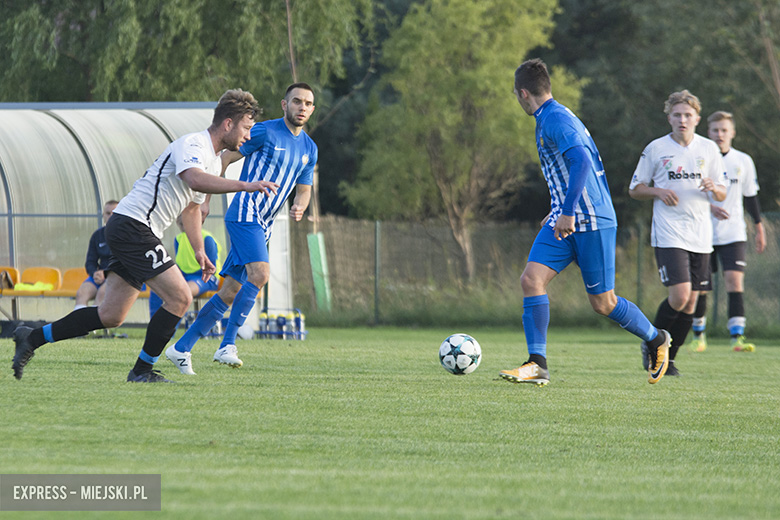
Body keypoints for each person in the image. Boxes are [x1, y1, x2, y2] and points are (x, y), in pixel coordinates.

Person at [12, 88, 280, 382]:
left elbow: (191, 209)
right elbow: (193, 179)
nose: (248, 135)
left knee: (111, 315)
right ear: (228, 123)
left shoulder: (215, 162)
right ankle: (142, 370)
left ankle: (31, 338)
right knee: (180, 298)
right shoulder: (193, 144)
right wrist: (245, 186)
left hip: (137, 230)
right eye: (246, 128)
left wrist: (199, 249)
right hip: (132, 226)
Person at [499, 58, 671, 387]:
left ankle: (656, 338)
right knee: (531, 280)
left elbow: (581, 162)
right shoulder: (547, 117)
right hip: (564, 220)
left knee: (603, 303)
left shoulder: (556, 119)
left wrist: (566, 210)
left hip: (591, 221)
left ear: (523, 93)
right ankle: (537, 364)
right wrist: (558, 209)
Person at [165, 82, 316, 375]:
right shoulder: (264, 131)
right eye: (297, 101)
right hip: (245, 213)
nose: (302, 107)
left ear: (312, 109)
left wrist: (300, 205)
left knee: (230, 290)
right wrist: (206, 200)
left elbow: (304, 189)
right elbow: (224, 158)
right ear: (285, 105)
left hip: (264, 223)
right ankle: (227, 345)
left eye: (308, 103)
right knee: (260, 274)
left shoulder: (310, 148)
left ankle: (181, 348)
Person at [628, 90, 727, 376]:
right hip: (669, 233)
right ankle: (652, 343)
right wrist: (658, 191)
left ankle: (668, 360)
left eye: (687, 115)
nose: (682, 120)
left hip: (701, 236)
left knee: (692, 302)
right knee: (680, 295)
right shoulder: (656, 148)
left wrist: (714, 188)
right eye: (677, 115)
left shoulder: (709, 149)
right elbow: (635, 189)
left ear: (697, 118)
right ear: (669, 117)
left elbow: (722, 192)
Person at [688, 111, 765, 353]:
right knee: (700, 286)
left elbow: (750, 197)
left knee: (734, 281)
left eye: (724, 130)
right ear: (708, 132)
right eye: (715, 130)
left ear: (732, 133)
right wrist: (710, 207)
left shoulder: (743, 161)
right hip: (703, 232)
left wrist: (759, 227)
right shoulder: (699, 159)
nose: (719, 134)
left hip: (734, 233)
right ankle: (698, 336)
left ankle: (736, 337)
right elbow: (687, 192)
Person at [148, 214, 224, 318]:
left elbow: (211, 269)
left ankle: (170, 326)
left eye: (185, 223)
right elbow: (179, 265)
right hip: (185, 277)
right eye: (181, 224)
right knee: (157, 289)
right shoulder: (178, 239)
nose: (183, 227)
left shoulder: (207, 238)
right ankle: (155, 322)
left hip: (206, 278)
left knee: (181, 293)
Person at [74, 200, 119, 309]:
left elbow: (125, 263)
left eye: (114, 213)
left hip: (118, 276)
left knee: (102, 293)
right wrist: (95, 273)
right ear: (103, 216)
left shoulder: (127, 235)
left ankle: (93, 320)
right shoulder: (97, 235)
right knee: (81, 293)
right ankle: (81, 320)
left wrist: (106, 273)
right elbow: (90, 261)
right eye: (108, 213)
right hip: (99, 277)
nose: (110, 216)